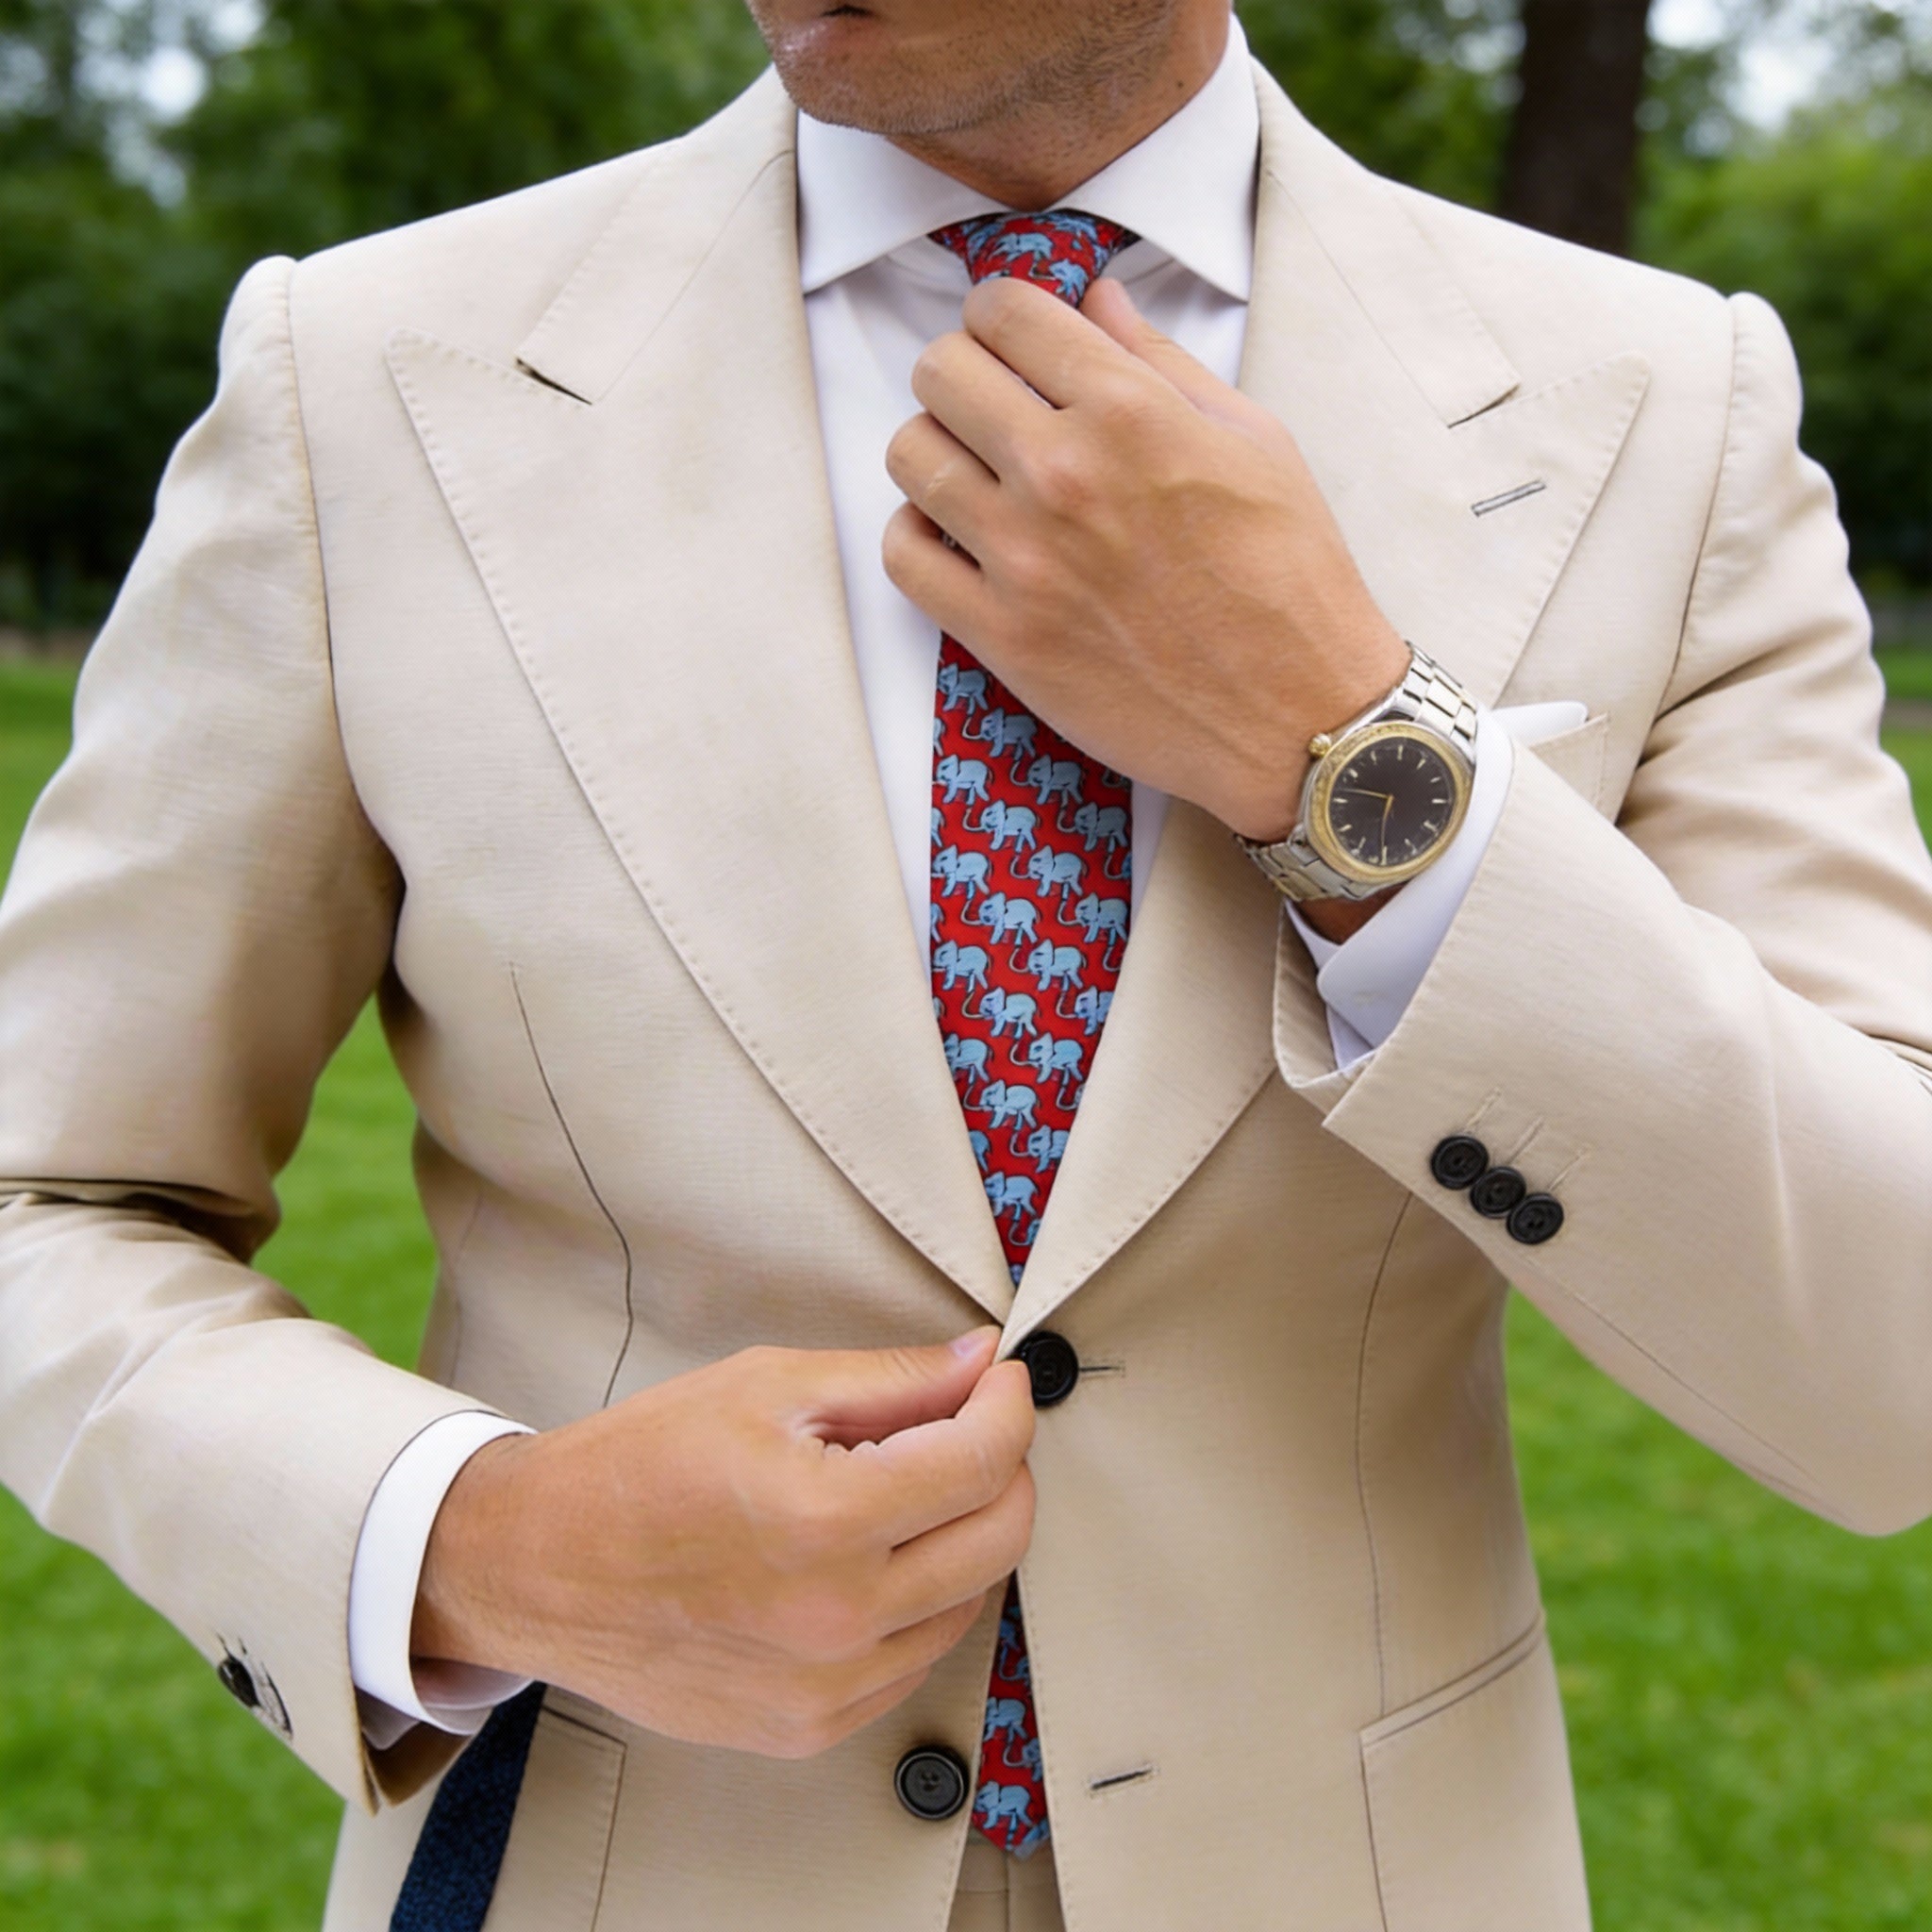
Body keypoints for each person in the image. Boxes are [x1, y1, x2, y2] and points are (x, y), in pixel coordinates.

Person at [2, 0, 1930, 1924]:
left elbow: (1891, 1360)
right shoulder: (360, 383)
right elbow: (46, 1196)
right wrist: (477, 1542)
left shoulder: (1660, 411)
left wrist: (1351, 762)